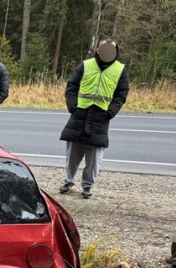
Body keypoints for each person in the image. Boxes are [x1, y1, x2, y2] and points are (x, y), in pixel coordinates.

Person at [58, 37, 129, 199]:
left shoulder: (120, 70)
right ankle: (69, 181)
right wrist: (72, 106)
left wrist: (111, 112)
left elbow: (121, 94)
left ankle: (87, 186)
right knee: (72, 154)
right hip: (79, 115)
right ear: (98, 49)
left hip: (100, 118)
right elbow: (72, 86)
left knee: (94, 158)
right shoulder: (86, 65)